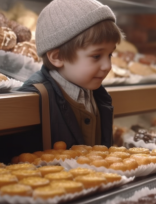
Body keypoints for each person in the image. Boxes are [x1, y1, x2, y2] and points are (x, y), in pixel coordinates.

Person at [18, 0, 123, 149]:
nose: (108, 66)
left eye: (110, 54)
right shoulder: (34, 98)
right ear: (57, 57)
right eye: (96, 56)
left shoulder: (97, 95)